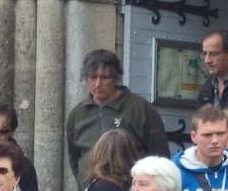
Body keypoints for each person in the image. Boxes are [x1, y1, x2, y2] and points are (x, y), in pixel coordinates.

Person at [65, 49, 169, 184]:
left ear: (115, 77)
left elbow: (160, 157)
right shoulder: (78, 114)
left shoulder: (141, 110)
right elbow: (74, 158)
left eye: (104, 77)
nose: (98, 84)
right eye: (93, 77)